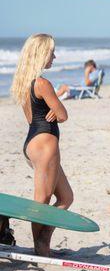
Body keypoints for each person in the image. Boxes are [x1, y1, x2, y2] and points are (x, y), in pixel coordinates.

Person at [10, 34, 73, 256]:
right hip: (45, 143)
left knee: (66, 198)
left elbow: (34, 116)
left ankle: (43, 241)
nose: (54, 56)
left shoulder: (23, 83)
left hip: (33, 141)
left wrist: (52, 108)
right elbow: (63, 115)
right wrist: (56, 108)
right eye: (51, 52)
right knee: (42, 200)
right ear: (40, 53)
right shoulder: (43, 83)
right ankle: (41, 248)